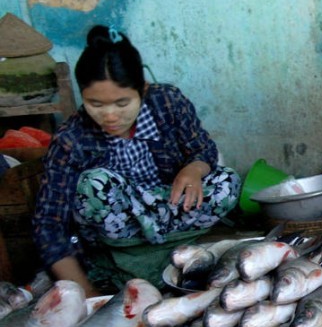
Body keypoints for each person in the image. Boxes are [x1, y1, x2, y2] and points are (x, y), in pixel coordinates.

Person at [33, 25, 241, 297]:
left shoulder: (168, 102)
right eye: (96, 104)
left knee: (227, 181)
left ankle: (169, 251)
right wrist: (86, 294)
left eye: (122, 104)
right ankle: (129, 263)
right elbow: (49, 226)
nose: (110, 116)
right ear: (82, 95)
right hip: (119, 231)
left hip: (170, 210)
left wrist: (194, 169)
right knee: (94, 184)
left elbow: (203, 149)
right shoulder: (71, 139)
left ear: (142, 90)